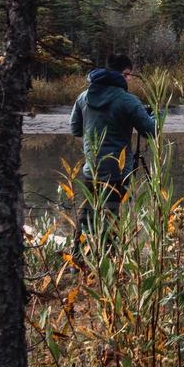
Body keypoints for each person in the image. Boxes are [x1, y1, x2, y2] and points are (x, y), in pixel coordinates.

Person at [69, 54, 157, 254]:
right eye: (130, 75)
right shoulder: (127, 100)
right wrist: (156, 115)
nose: (131, 79)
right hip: (117, 172)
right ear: (125, 74)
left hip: (91, 169)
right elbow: (151, 131)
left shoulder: (84, 97)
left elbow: (75, 129)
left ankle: (78, 258)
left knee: (88, 214)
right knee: (111, 216)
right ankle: (107, 263)